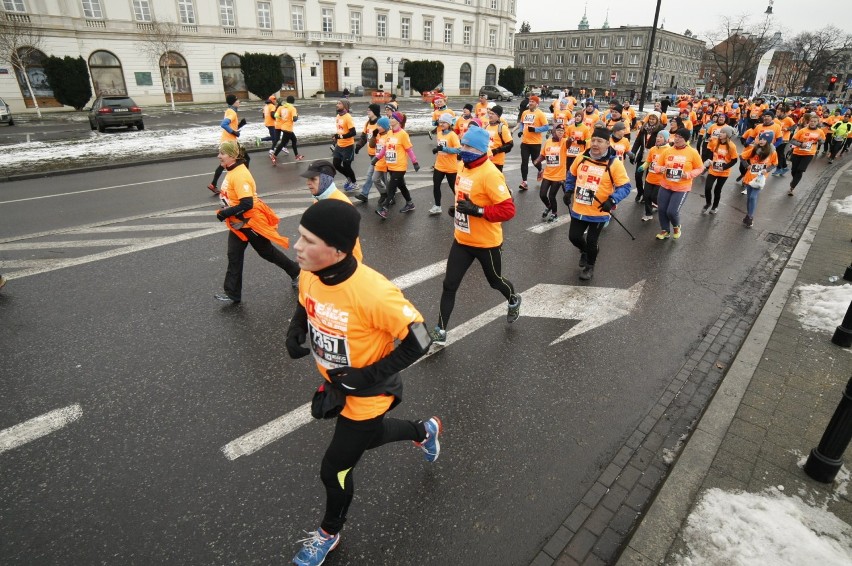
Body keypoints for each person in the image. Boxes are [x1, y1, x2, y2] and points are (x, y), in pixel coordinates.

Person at [285, 199, 439, 566]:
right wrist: (295, 330)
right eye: (299, 236)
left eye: (308, 240)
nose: (297, 246)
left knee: (334, 467)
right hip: (339, 387)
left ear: (337, 250)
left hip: (370, 393)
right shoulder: (310, 273)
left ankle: (329, 532)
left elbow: (421, 339)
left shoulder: (373, 292)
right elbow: (305, 301)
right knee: (367, 441)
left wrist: (364, 376)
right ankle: (424, 430)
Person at [429, 127, 520, 344]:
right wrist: (457, 210)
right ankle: (440, 330)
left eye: (468, 146)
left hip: (486, 243)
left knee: (495, 281)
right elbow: (464, 197)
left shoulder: (490, 174)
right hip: (462, 240)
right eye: (463, 144)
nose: (464, 149)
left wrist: (477, 211)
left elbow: (508, 211)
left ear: (480, 149)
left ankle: (513, 299)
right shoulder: (462, 165)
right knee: (449, 284)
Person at [213, 141, 299, 303]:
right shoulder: (232, 170)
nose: (219, 156)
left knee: (266, 252)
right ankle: (232, 293)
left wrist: (225, 213)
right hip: (238, 223)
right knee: (234, 255)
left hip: (250, 222)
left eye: (222, 153)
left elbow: (247, 204)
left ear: (232, 155)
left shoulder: (240, 174)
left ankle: (296, 271)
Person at [563, 125, 632, 280]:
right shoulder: (581, 158)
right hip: (579, 207)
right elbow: (571, 175)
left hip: (599, 210)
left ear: (608, 144)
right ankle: (585, 251)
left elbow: (626, 187)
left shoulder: (614, 164)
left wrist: (612, 200)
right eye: (593, 140)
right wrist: (568, 190)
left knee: (592, 241)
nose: (595, 144)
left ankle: (589, 266)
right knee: (574, 237)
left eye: (600, 141)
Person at [651, 128, 704, 240]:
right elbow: (656, 166)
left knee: (672, 211)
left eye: (680, 137)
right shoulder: (667, 150)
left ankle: (676, 226)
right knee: (662, 209)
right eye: (676, 136)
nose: (677, 139)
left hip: (681, 187)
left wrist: (688, 174)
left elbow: (700, 168)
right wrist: (661, 168)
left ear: (686, 139)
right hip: (666, 185)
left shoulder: (692, 152)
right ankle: (665, 230)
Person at [371, 111, 420, 218]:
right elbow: (385, 148)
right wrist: (377, 158)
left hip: (400, 167)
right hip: (391, 166)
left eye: (392, 118)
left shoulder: (403, 134)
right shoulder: (389, 133)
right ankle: (410, 203)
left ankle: (384, 209)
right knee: (402, 186)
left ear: (398, 121)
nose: (390, 119)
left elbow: (409, 150)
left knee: (391, 188)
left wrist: (415, 162)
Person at [208, 94, 247, 194]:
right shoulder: (232, 112)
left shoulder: (230, 111)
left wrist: (240, 125)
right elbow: (223, 124)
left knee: (225, 164)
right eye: (238, 100)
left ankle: (213, 184)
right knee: (244, 160)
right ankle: (242, 182)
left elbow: (230, 125)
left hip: (228, 141)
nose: (239, 102)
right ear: (234, 102)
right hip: (229, 142)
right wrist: (234, 132)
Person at [739, 132, 777, 228]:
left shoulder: (772, 152)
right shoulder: (754, 149)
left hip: (760, 178)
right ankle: (748, 215)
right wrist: (747, 166)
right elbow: (742, 157)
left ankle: (750, 217)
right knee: (748, 198)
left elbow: (774, 163)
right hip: (750, 176)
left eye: (764, 139)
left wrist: (766, 170)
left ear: (768, 141)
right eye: (760, 139)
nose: (761, 141)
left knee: (752, 197)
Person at [511, 95, 549, 191]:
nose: (531, 103)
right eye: (530, 101)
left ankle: (540, 170)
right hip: (525, 142)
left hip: (535, 143)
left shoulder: (540, 114)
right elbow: (523, 123)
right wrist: (520, 131)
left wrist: (535, 129)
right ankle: (524, 182)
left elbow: (546, 127)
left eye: (533, 101)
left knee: (535, 162)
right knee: (524, 162)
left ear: (537, 103)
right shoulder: (525, 113)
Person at [533, 122, 568, 222]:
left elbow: (569, 143)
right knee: (542, 195)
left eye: (562, 130)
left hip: (558, 175)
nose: (560, 132)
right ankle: (549, 206)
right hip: (548, 173)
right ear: (554, 131)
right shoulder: (548, 142)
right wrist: (537, 160)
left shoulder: (564, 142)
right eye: (558, 130)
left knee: (551, 196)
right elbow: (543, 155)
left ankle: (554, 213)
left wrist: (571, 139)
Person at [701, 125, 738, 214]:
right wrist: (708, 160)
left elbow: (734, 160)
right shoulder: (715, 142)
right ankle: (708, 203)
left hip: (724, 172)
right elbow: (709, 151)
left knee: (717, 189)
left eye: (723, 132)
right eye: (720, 132)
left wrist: (724, 167)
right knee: (708, 187)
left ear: (728, 135)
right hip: (713, 170)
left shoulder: (732, 146)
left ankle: (715, 206)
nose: (720, 134)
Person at [788, 113, 826, 196]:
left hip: (809, 154)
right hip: (797, 152)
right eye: (811, 121)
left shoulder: (820, 132)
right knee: (794, 170)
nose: (812, 123)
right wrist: (801, 144)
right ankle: (794, 181)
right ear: (809, 122)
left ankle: (792, 187)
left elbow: (823, 141)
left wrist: (820, 140)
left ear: (817, 123)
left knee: (800, 170)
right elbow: (792, 141)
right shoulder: (802, 130)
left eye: (814, 121)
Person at [431, 113, 461, 215]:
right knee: (436, 186)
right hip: (439, 165)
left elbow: (458, 150)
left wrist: (444, 149)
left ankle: (461, 206)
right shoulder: (439, 133)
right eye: (440, 122)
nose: (442, 124)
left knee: (454, 189)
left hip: (451, 167)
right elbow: (440, 147)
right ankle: (437, 206)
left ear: (449, 124)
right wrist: (437, 150)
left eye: (444, 122)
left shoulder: (453, 135)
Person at [638, 130, 669, 221]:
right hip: (650, 178)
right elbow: (648, 161)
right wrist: (642, 167)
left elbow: (668, 164)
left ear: (666, 140)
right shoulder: (652, 149)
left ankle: (662, 205)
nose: (658, 138)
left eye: (661, 137)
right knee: (646, 196)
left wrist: (662, 169)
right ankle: (648, 214)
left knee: (654, 197)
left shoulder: (668, 150)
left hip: (660, 180)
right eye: (658, 136)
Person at [631, 111, 663, 203]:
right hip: (643, 154)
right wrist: (633, 153)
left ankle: (646, 196)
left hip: (653, 156)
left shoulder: (659, 129)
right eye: (650, 118)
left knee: (648, 177)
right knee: (638, 175)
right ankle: (640, 192)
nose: (651, 121)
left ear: (657, 120)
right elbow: (637, 142)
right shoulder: (644, 128)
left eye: (653, 119)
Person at [353, 104, 382, 201]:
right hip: (371, 154)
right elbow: (364, 137)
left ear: (375, 112)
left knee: (370, 174)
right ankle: (392, 190)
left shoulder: (380, 123)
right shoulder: (367, 123)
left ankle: (364, 194)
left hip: (378, 155)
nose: (367, 112)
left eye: (369, 110)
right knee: (380, 176)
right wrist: (358, 146)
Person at [332, 99, 358, 192]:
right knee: (336, 164)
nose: (337, 105)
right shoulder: (338, 116)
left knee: (346, 165)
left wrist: (340, 136)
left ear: (345, 106)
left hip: (348, 146)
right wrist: (336, 137)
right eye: (337, 103)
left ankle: (354, 183)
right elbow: (340, 130)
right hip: (339, 145)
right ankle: (349, 178)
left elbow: (353, 132)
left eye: (339, 103)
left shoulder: (348, 117)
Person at [271, 95, 304, 164]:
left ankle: (297, 155)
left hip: (283, 127)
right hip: (288, 128)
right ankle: (274, 156)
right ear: (293, 101)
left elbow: (275, 115)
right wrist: (297, 116)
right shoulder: (292, 108)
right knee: (283, 143)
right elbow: (294, 119)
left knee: (294, 140)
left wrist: (282, 118)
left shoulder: (281, 107)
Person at [485, 105, 513, 172]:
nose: (490, 115)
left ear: (498, 116)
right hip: (485, 160)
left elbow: (510, 145)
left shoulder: (502, 128)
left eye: (493, 114)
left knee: (495, 181)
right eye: (490, 113)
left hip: (497, 162)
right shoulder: (486, 127)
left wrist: (496, 151)